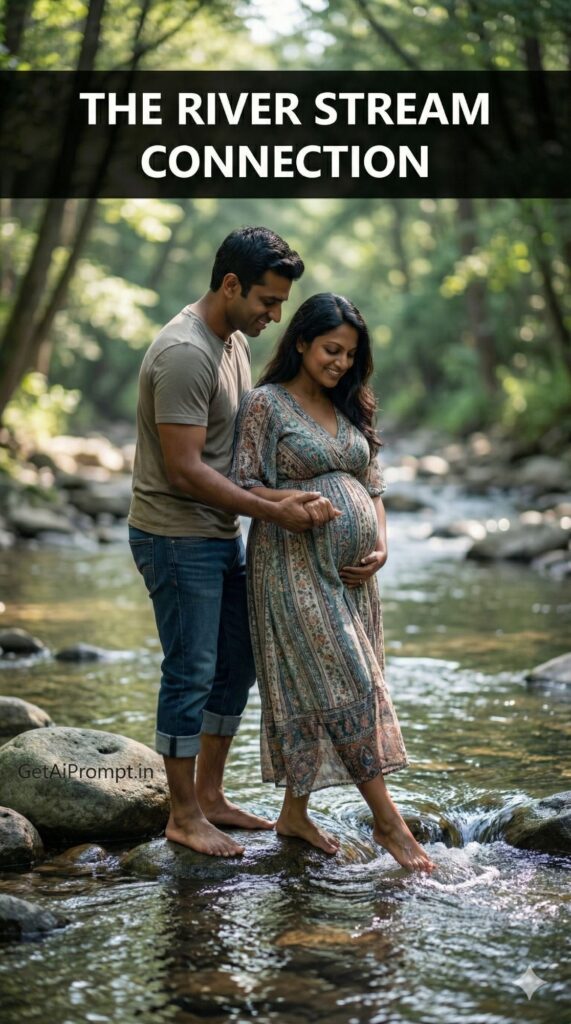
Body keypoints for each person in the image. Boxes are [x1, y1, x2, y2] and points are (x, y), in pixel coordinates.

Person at [128, 227, 330, 859]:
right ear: (230, 285)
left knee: (236, 664)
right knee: (190, 672)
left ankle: (210, 796)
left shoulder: (233, 340)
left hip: (216, 532)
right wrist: (270, 508)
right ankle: (183, 815)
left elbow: (235, 452)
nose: (274, 316)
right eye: (268, 302)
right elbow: (187, 469)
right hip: (174, 534)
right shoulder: (185, 352)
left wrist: (287, 495)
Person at [231, 293, 435, 872]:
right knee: (345, 678)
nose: (341, 363)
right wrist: (290, 499)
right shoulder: (265, 404)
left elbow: (373, 484)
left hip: (352, 577)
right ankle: (389, 824)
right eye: (330, 349)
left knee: (323, 687)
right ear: (300, 342)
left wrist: (382, 544)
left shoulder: (352, 405)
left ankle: (294, 814)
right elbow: (243, 483)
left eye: (350, 353)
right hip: (289, 562)